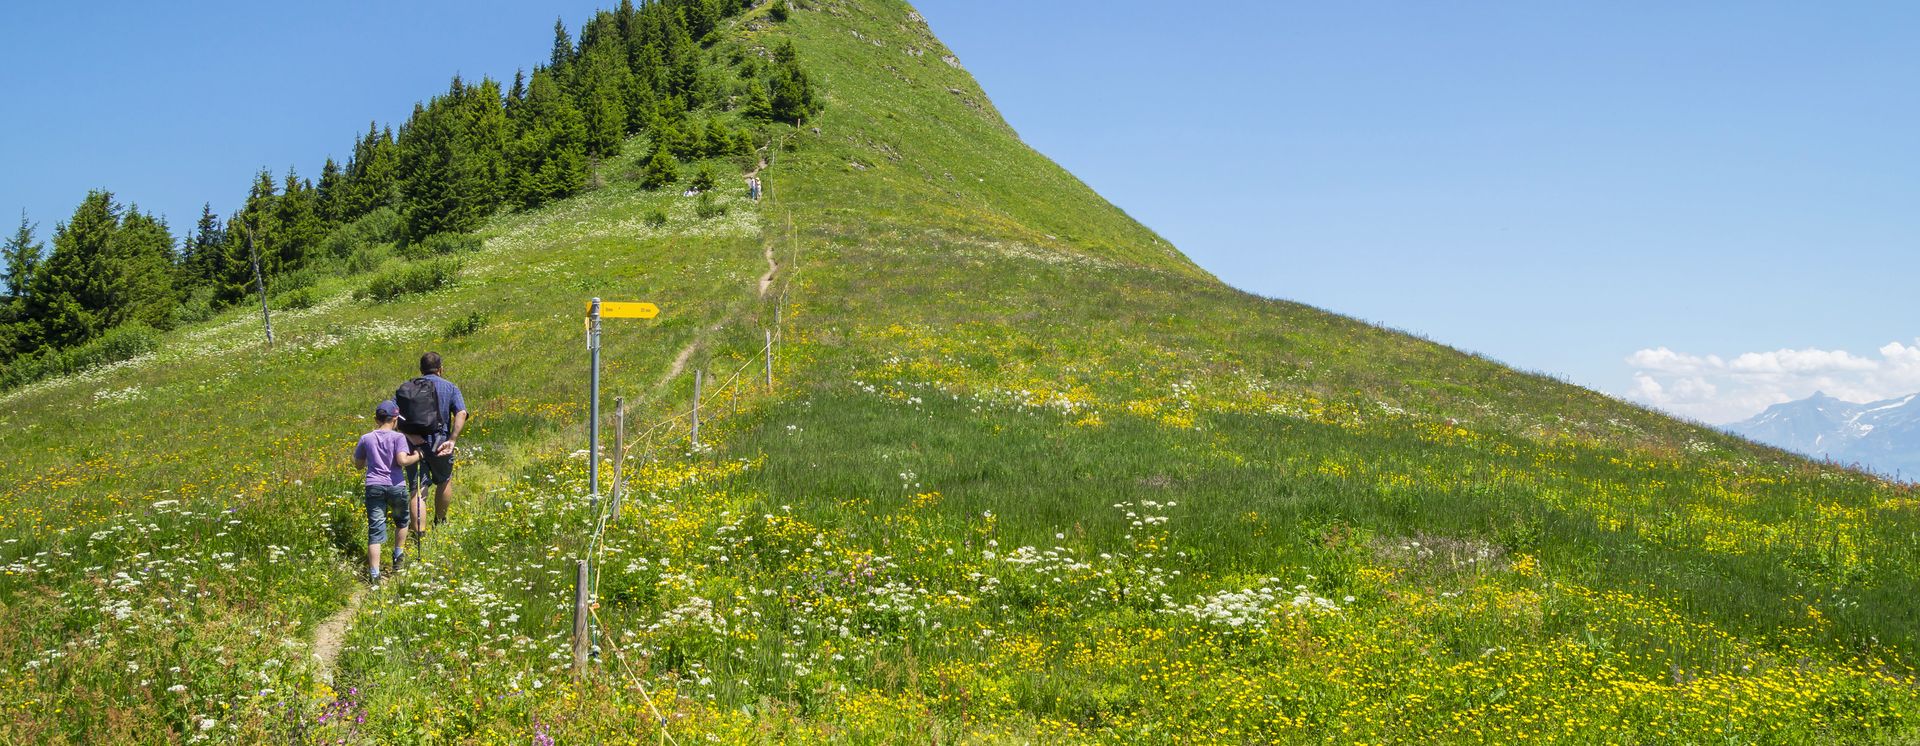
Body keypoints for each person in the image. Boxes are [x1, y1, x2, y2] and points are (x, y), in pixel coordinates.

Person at [396, 351, 468, 536]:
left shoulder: (408, 388)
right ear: (440, 369)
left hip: (414, 445)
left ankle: (419, 532)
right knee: (444, 480)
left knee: (417, 488)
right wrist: (452, 439)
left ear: (421, 369)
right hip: (441, 442)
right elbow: (461, 413)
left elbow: (392, 416)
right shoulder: (450, 387)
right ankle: (440, 521)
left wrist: (410, 436)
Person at [354, 400, 420, 584]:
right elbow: (402, 461)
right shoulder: (399, 438)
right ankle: (398, 556)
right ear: (395, 419)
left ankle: (374, 574)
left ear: (377, 419)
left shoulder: (366, 438)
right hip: (396, 486)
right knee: (401, 521)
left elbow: (358, 465)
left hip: (373, 486)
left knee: (375, 529)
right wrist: (418, 455)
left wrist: (372, 460)